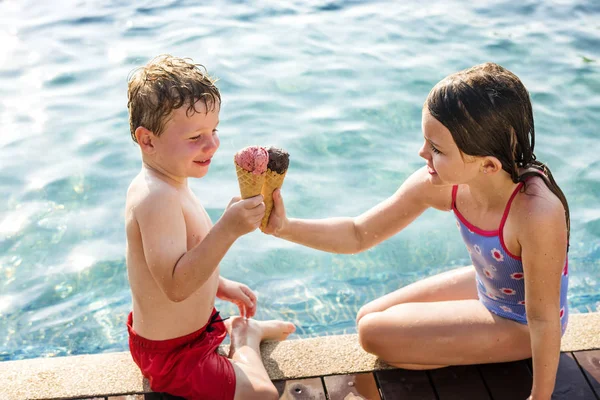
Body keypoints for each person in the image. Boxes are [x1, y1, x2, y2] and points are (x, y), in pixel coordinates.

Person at [264, 62, 569, 400]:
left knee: (372, 333)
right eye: (426, 141)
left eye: (436, 149)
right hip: (488, 284)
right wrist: (283, 228)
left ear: (488, 165)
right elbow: (357, 233)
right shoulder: (443, 184)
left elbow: (543, 319)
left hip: (523, 324)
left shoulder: (535, 212)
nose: (422, 153)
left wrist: (539, 397)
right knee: (368, 315)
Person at [124, 54, 295, 400]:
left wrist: (220, 284)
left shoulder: (172, 183)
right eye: (195, 137)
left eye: (214, 130)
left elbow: (186, 256)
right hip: (172, 358)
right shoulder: (155, 197)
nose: (212, 144)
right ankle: (244, 337)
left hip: (192, 335)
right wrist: (227, 230)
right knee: (265, 394)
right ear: (148, 140)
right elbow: (174, 285)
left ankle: (239, 332)